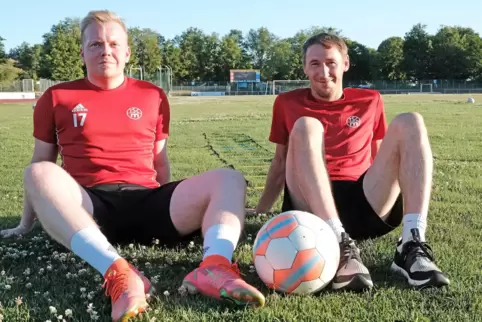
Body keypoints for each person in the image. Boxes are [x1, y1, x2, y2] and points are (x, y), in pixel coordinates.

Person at [0, 10, 265, 321]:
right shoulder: (56, 97)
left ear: (126, 52)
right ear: (83, 52)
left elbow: (159, 160)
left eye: (113, 43)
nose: (105, 50)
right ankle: (119, 273)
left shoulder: (152, 95)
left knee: (230, 178)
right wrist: (26, 224)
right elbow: (41, 164)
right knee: (37, 172)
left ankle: (215, 267)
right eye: (96, 44)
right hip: (89, 207)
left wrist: (190, 203)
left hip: (147, 201)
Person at [253, 32, 450, 291]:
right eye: (314, 64)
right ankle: (340, 242)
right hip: (311, 209)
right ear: (304, 67)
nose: (323, 72)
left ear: (345, 63)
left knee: (410, 120)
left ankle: (412, 243)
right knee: (306, 126)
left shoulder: (370, 100)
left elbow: (378, 158)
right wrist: (261, 211)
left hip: (362, 201)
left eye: (330, 62)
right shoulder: (286, 103)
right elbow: (280, 163)